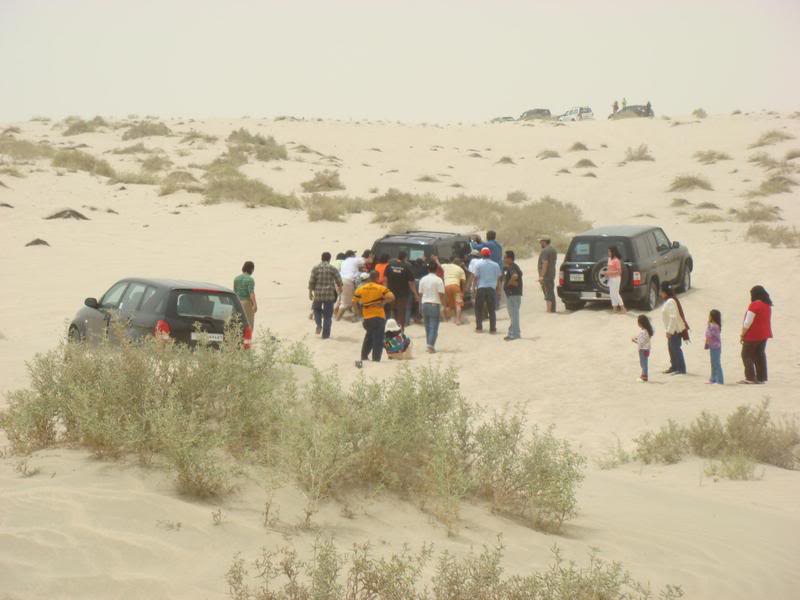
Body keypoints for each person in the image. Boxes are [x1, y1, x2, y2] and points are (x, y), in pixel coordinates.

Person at [353, 271, 395, 366]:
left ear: (368, 278)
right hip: (378, 316)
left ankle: (364, 356)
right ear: (377, 278)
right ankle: (376, 359)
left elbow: (354, 301)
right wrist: (383, 302)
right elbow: (392, 297)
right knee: (378, 339)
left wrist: (357, 313)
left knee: (368, 336)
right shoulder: (380, 288)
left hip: (366, 317)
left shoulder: (361, 289)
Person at [739, 285, 773, 384]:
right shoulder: (767, 306)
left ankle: (750, 377)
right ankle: (761, 377)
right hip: (764, 334)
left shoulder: (754, 305)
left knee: (746, 355)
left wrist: (742, 334)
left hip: (753, 335)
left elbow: (747, 322)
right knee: (760, 355)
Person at [308, 252, 343, 339]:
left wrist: (310, 292)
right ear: (329, 259)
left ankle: (319, 325)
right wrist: (340, 287)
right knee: (328, 316)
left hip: (318, 294)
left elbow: (311, 281)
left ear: (321, 258)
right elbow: (338, 279)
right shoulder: (332, 268)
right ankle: (325, 335)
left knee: (316, 309)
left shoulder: (316, 268)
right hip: (329, 294)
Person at [385, 251, 419, 329]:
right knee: (401, 313)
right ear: (405, 258)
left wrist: (386, 291)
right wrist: (415, 294)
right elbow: (411, 283)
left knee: (393, 311)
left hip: (391, 293)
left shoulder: (390, 265)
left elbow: (385, 279)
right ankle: (400, 330)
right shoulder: (406, 267)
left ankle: (392, 329)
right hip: (402, 294)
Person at [661, 283, 689, 375]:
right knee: (671, 349)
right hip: (671, 330)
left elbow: (673, 317)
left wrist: (669, 331)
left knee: (676, 349)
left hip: (674, 331)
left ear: (665, 293)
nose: (660, 294)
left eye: (661, 292)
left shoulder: (671, 302)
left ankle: (681, 368)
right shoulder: (668, 301)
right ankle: (674, 366)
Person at [418, 262, 447, 353]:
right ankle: (430, 346)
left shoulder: (423, 279)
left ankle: (429, 344)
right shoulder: (438, 280)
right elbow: (441, 294)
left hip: (424, 303)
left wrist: (419, 304)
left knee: (427, 326)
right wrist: (444, 305)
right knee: (434, 326)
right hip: (434, 304)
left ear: (428, 269)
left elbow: (420, 293)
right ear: (436, 270)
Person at [472, 247, 502, 333]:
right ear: (489, 254)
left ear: (481, 254)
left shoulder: (478, 264)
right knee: (491, 310)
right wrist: (499, 291)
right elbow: (498, 279)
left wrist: (474, 289)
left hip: (481, 288)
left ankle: (479, 328)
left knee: (478, 309)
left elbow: (475, 278)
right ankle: (492, 329)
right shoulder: (495, 265)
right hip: (491, 289)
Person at [336, 250, 364, 320]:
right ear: (351, 255)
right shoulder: (353, 260)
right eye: (354, 254)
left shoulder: (344, 262)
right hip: (347, 281)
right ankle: (337, 319)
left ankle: (356, 315)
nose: (355, 256)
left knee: (350, 299)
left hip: (340, 281)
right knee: (345, 303)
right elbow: (363, 260)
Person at [503, 251, 523, 341]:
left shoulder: (512, 267)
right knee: (513, 315)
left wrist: (508, 283)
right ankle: (512, 333)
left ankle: (514, 334)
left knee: (514, 315)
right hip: (514, 294)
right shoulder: (514, 266)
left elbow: (515, 276)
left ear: (509, 258)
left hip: (512, 294)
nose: (504, 259)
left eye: (505, 257)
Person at [441, 258, 467, 324]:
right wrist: (463, 292)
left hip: (446, 287)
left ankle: (451, 318)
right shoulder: (461, 269)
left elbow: (439, 265)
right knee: (458, 304)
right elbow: (463, 282)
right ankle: (458, 320)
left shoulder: (446, 266)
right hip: (455, 287)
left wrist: (436, 260)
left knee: (451, 304)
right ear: (459, 264)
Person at [234, 261, 257, 329]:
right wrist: (255, 304)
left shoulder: (236, 279)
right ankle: (247, 339)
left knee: (239, 323)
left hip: (237, 303)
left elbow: (234, 292)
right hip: (246, 303)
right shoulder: (250, 279)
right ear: (251, 269)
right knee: (248, 323)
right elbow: (251, 293)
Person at [537, 236, 557, 313]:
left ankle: (549, 311)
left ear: (544, 242)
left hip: (546, 275)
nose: (540, 243)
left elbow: (545, 263)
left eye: (541, 242)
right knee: (550, 291)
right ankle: (552, 309)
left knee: (548, 293)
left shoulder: (545, 251)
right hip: (551, 273)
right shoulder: (553, 250)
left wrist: (542, 276)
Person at [705, 309, 723, 384]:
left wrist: (706, 343)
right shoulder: (715, 325)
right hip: (714, 346)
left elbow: (708, 335)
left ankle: (720, 380)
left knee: (716, 363)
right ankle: (713, 378)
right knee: (713, 363)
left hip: (715, 347)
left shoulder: (713, 326)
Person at [633, 315, 653, 382]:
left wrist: (634, 340)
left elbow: (641, 342)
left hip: (643, 350)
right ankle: (643, 374)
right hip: (646, 349)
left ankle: (644, 376)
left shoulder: (643, 332)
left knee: (643, 363)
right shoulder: (647, 330)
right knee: (644, 363)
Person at [607, 246, 626, 314]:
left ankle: (623, 308)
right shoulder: (609, 259)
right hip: (610, 278)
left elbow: (619, 271)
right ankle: (614, 308)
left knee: (615, 293)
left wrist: (609, 273)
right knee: (612, 294)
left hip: (616, 278)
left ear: (613, 252)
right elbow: (609, 268)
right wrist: (608, 274)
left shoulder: (616, 260)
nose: (608, 253)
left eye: (609, 251)